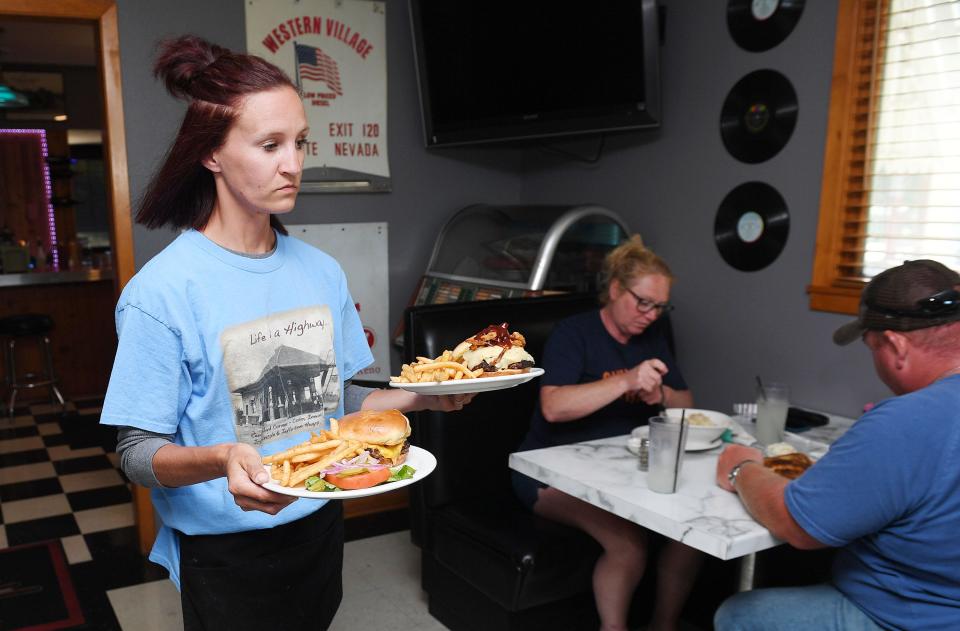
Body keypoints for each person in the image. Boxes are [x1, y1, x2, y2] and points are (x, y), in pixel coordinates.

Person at [100, 35, 472, 631]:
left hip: (320, 524)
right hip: (225, 554)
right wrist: (223, 460)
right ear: (212, 155)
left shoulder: (320, 272)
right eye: (270, 145)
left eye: (300, 142)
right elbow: (137, 453)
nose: (293, 163)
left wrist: (426, 397)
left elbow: (342, 400)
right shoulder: (161, 292)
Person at [714, 259, 960, 630]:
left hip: (913, 617)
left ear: (896, 345)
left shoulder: (905, 421)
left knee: (738, 615)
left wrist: (740, 467)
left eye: (872, 347)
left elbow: (798, 524)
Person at [512, 236, 703, 631]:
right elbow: (553, 406)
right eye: (643, 302)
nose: (651, 315)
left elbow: (686, 402)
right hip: (549, 472)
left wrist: (660, 393)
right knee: (628, 545)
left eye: (660, 307)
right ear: (615, 290)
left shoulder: (653, 336)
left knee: (691, 534)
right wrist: (627, 381)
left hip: (623, 466)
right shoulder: (574, 333)